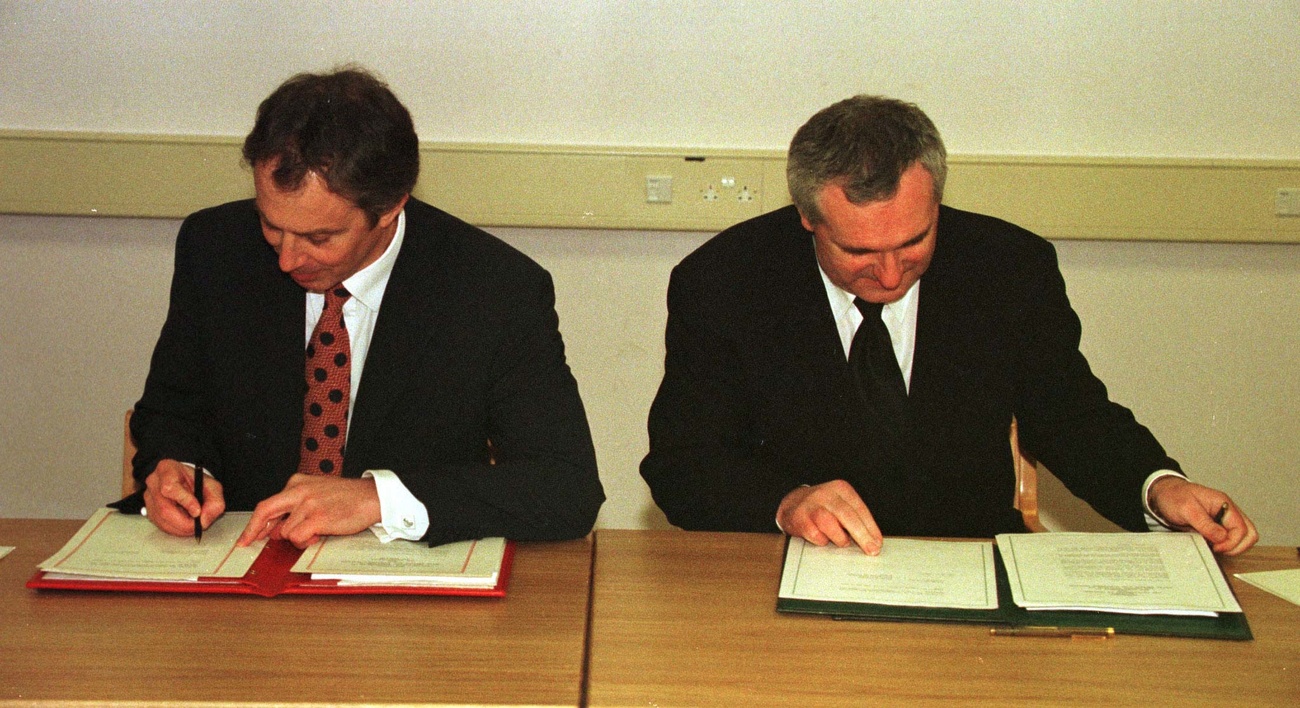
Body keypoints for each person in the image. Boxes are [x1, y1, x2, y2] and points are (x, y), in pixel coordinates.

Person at [640, 95, 1256, 556]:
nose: (888, 273)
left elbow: (1069, 414)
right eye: (858, 252)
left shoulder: (1009, 267)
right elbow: (682, 463)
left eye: (913, 241)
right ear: (807, 217)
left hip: (970, 566)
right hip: (793, 571)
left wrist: (1157, 487)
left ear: (937, 202)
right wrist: (786, 502)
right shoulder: (724, 282)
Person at [126, 66, 604, 548]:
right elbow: (172, 411)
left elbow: (565, 488)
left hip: (399, 593)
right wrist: (178, 468)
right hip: (240, 571)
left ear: (390, 206)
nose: (288, 259)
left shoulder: (492, 289)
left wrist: (376, 499)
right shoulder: (216, 248)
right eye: (272, 225)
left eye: (319, 237)